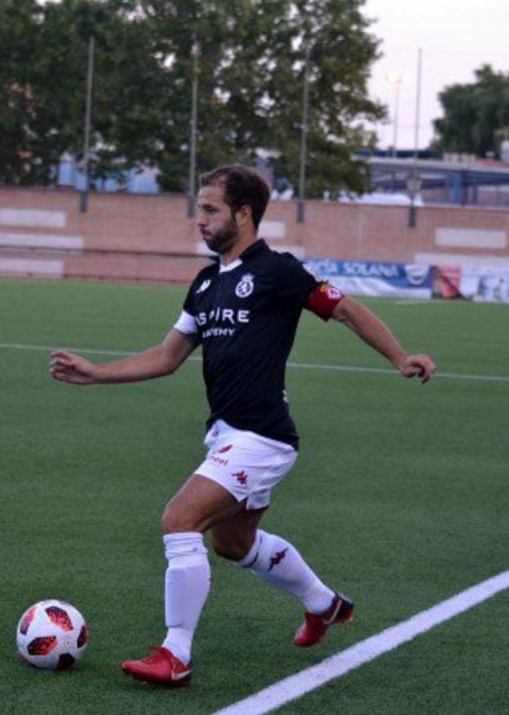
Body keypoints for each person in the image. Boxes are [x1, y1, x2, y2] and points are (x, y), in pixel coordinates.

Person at [50, 164, 436, 686]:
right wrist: (96, 374)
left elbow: (345, 310)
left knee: (179, 520)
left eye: (210, 210)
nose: (200, 220)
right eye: (199, 209)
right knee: (233, 545)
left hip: (263, 435)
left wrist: (399, 356)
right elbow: (167, 357)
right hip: (227, 434)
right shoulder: (206, 282)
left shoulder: (277, 271)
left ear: (244, 214)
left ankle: (175, 653)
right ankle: (325, 605)